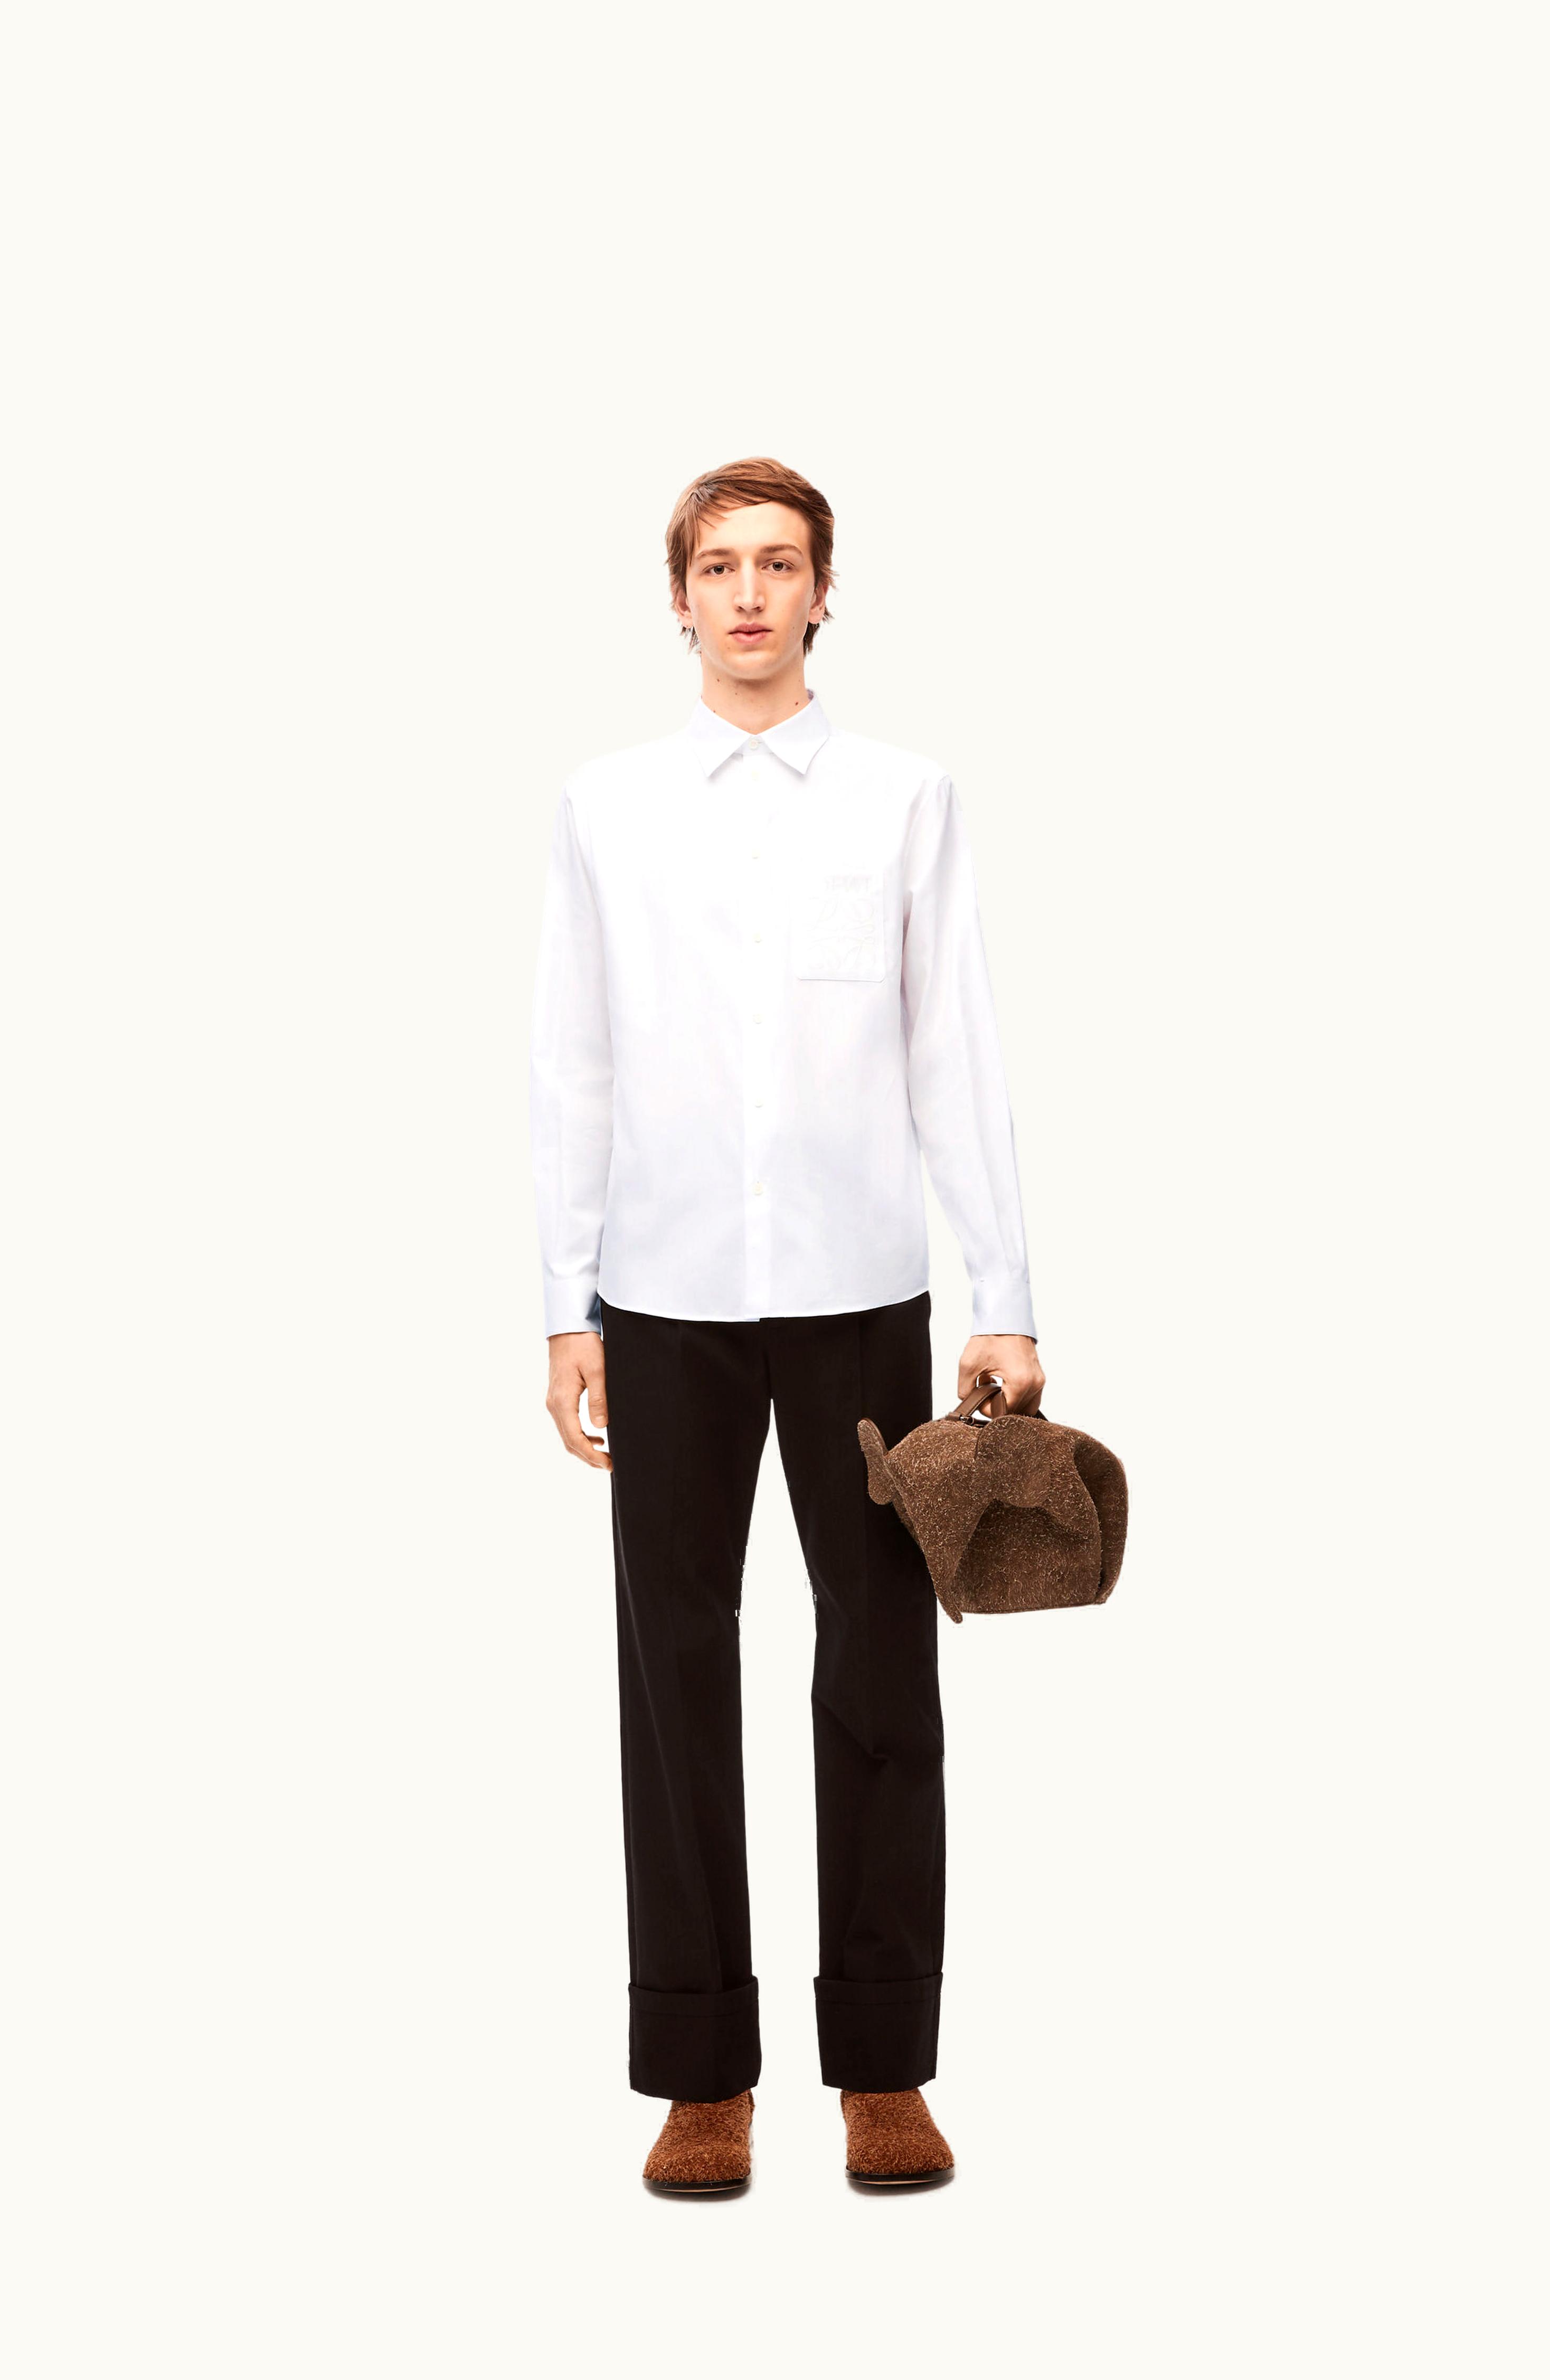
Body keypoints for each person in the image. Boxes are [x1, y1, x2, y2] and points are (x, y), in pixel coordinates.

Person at [530, 456, 1044, 2195]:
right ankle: (703, 2076)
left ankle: (883, 2066)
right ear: (677, 596)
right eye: (720, 565)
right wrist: (565, 1304)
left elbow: (955, 1046)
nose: (750, 593)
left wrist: (1004, 1297)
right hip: (661, 1298)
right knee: (672, 1670)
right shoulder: (606, 806)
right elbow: (573, 1062)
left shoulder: (905, 797)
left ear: (826, 592)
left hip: (860, 1293)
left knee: (882, 1660)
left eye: (780, 563)